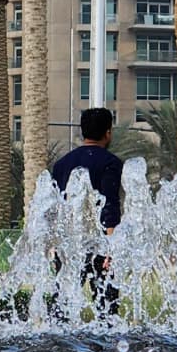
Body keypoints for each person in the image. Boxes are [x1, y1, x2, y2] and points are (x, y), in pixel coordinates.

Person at [51, 108, 122, 315]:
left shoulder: (61, 164)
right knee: (107, 306)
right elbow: (110, 205)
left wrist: (54, 244)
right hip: (99, 245)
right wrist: (112, 249)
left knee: (61, 303)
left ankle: (56, 344)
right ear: (108, 132)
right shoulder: (111, 163)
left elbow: (55, 207)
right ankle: (106, 345)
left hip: (69, 244)